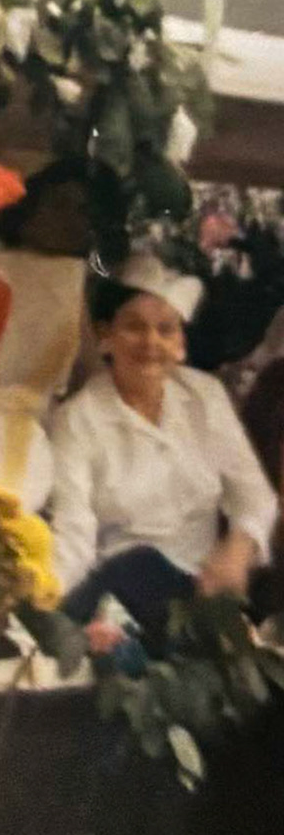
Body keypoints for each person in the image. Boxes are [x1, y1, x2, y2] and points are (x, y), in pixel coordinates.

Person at [48, 254, 278, 646]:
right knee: (139, 563)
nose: (150, 342)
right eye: (134, 327)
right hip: (117, 597)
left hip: (203, 596)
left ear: (180, 344)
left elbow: (254, 495)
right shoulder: (78, 419)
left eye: (165, 329)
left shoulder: (204, 396)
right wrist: (44, 599)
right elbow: (74, 535)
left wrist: (239, 547)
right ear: (106, 336)